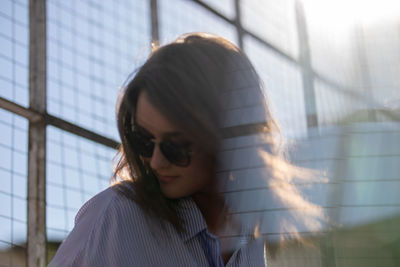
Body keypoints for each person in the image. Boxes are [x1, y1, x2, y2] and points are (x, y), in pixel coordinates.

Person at [49, 32, 303, 266]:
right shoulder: (115, 217)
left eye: (176, 146)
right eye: (144, 141)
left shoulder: (251, 236)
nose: (156, 161)